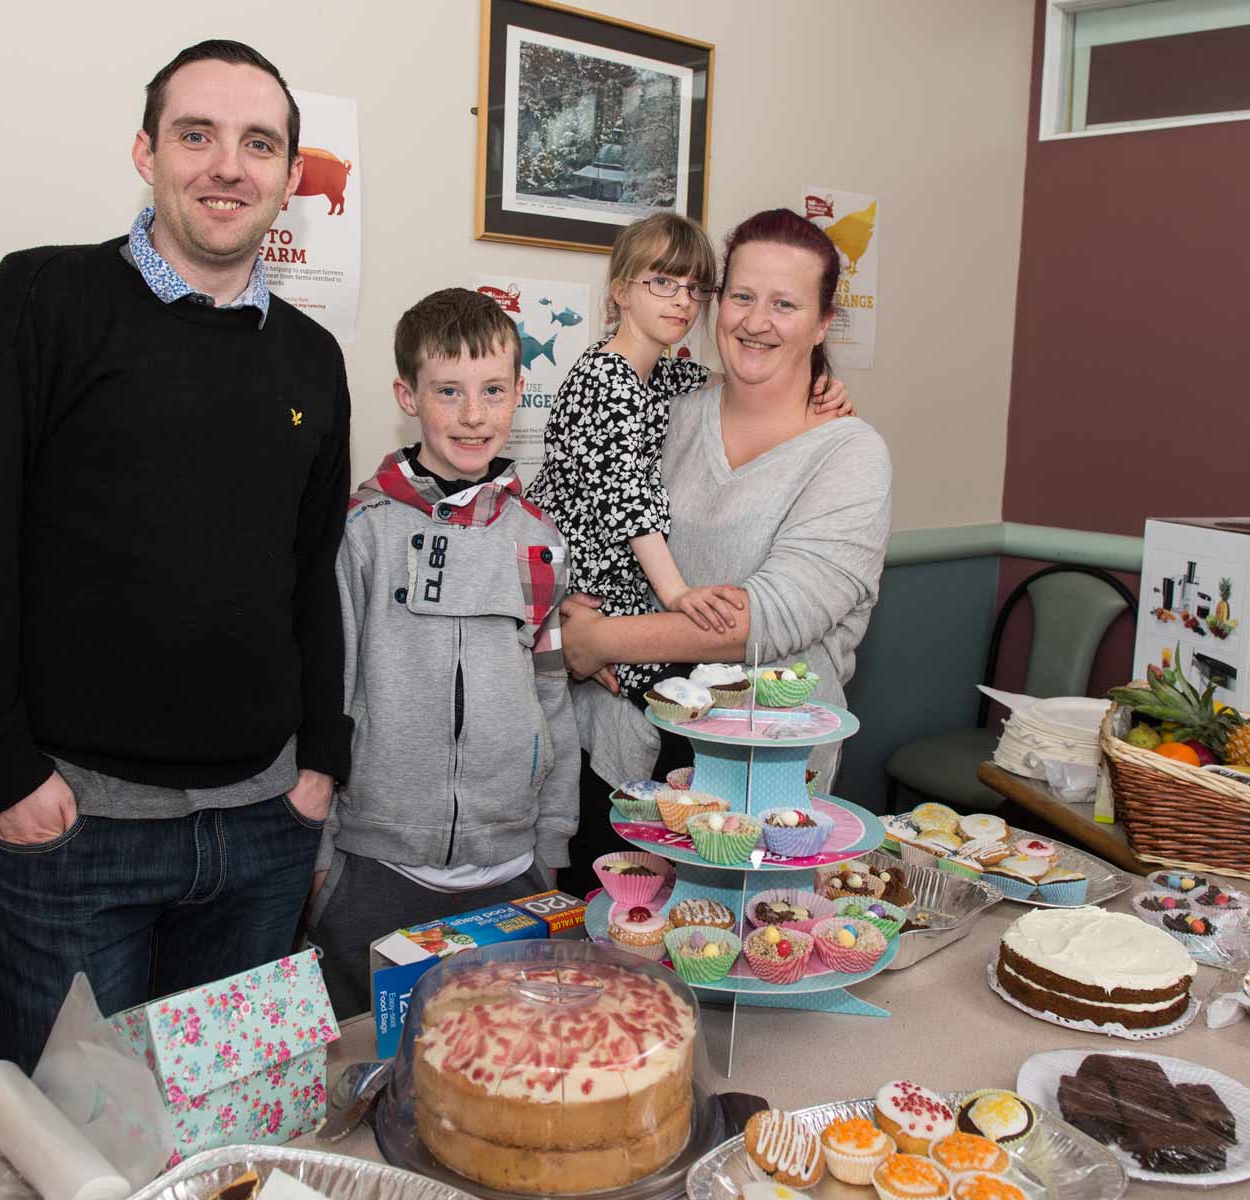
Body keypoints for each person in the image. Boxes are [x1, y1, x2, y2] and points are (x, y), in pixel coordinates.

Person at [0, 41, 353, 1072]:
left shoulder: (311, 359)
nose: (227, 166)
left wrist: (322, 760)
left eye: (258, 144)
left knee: (230, 1141)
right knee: (72, 1154)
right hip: (73, 837)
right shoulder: (34, 304)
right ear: (146, 152)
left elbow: (307, 575)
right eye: (197, 135)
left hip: (262, 834)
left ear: (289, 178)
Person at [555, 210, 892, 896]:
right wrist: (566, 609)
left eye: (785, 304)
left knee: (750, 967)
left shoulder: (850, 454)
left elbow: (759, 621)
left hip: (761, 788)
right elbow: (588, 508)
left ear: (825, 322)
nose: (756, 321)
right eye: (741, 296)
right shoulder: (666, 409)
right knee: (617, 967)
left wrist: (594, 643)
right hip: (627, 761)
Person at [306, 288, 579, 1019]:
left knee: (501, 1068)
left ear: (520, 392)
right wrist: (323, 859)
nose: (473, 414)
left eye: (493, 391)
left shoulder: (539, 541)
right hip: (375, 868)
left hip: (512, 870)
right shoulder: (362, 532)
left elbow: (552, 698)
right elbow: (327, 695)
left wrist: (552, 839)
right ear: (408, 395)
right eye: (448, 391)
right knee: (370, 1077)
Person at [527, 213, 851, 704]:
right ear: (620, 291)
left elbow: (728, 379)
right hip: (584, 568)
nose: (682, 300)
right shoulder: (605, 379)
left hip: (612, 577)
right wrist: (677, 596)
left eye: (695, 288)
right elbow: (629, 504)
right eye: (661, 282)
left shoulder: (661, 375)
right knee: (677, 696)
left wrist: (822, 388)